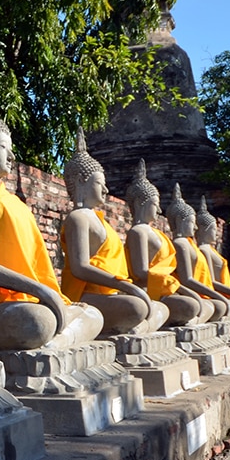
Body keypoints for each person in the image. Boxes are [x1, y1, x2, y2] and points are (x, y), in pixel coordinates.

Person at [0, 90, 102, 350]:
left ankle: (55, 343)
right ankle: (56, 340)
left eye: (11, 149)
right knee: (37, 321)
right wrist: (41, 291)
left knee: (93, 314)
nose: (12, 156)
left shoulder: (16, 203)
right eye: (4, 148)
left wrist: (44, 293)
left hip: (27, 298)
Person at [58, 131, 165, 336]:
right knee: (137, 307)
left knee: (154, 307)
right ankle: (129, 326)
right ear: (81, 181)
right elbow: (80, 268)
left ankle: (132, 328)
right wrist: (124, 284)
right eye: (100, 183)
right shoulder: (78, 217)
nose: (106, 189)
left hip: (111, 292)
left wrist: (125, 287)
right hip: (86, 293)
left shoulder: (99, 220)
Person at [123, 161, 212, 327]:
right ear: (140, 203)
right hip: (148, 289)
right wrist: (175, 285)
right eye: (155, 205)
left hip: (165, 288)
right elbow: (140, 273)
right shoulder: (138, 232)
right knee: (190, 306)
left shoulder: (158, 234)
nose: (158, 211)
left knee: (200, 305)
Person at [165, 184, 230, 320]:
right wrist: (216, 295)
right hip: (186, 293)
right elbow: (187, 280)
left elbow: (209, 281)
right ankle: (195, 321)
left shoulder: (191, 245)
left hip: (204, 293)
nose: (196, 227)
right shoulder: (180, 244)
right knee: (206, 306)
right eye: (192, 222)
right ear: (181, 221)